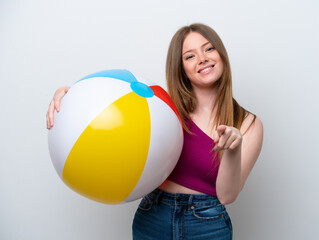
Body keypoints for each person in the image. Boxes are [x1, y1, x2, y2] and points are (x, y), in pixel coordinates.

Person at [46, 23, 263, 240]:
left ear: (221, 55)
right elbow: (112, 124)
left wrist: (234, 148)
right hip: (153, 216)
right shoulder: (163, 109)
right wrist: (70, 95)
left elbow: (227, 195)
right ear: (182, 69)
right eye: (190, 56)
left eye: (209, 49)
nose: (202, 58)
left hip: (207, 225)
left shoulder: (248, 124)